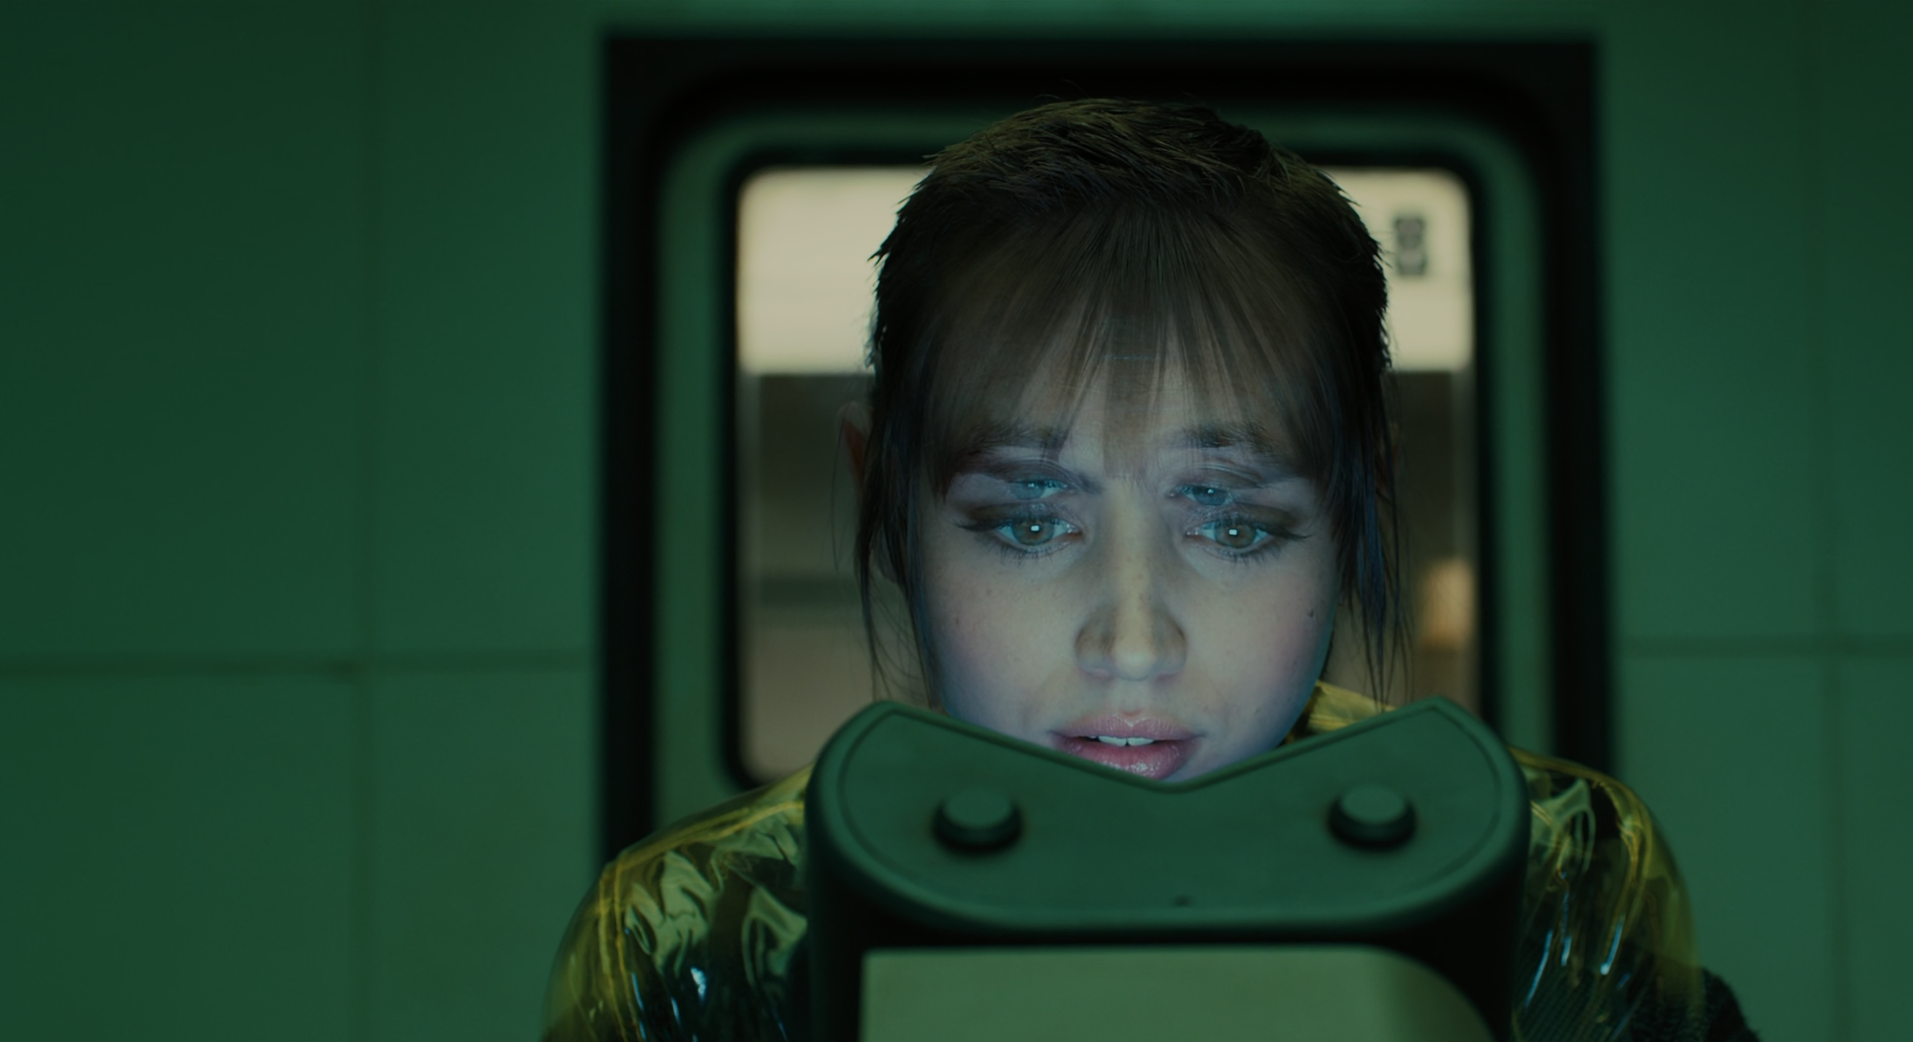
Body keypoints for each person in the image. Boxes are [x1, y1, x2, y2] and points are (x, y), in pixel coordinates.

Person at [543, 99, 1756, 1041]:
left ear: (1358, 506)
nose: (1131, 640)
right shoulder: (703, 940)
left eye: (1233, 525)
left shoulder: (1548, 896)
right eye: (1027, 523)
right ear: (887, 506)